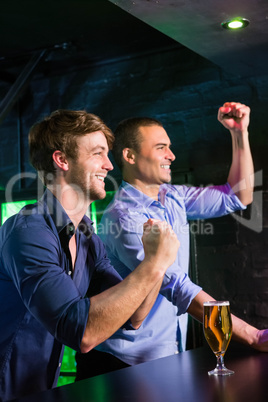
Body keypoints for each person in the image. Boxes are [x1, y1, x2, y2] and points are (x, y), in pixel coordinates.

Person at [75, 102, 268, 380]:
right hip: (122, 363)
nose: (172, 155)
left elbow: (237, 196)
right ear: (129, 156)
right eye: (161, 148)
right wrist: (254, 336)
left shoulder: (172, 196)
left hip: (164, 355)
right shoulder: (124, 217)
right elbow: (177, 286)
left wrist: (240, 133)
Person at [0, 110, 181, 401]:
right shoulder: (29, 232)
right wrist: (154, 263)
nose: (109, 165)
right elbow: (83, 333)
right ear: (62, 160)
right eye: (98, 153)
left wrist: (156, 263)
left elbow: (133, 316)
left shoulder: (87, 239)